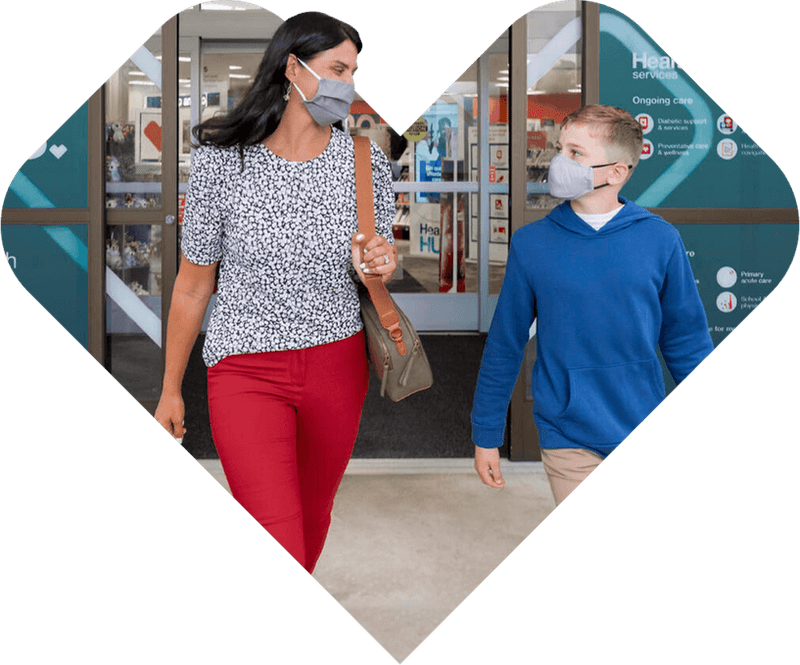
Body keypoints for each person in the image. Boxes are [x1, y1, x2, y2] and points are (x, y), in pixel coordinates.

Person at [153, 12, 397, 573]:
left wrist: (380, 264)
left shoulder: (366, 163)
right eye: (337, 69)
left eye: (353, 73)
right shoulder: (222, 162)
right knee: (276, 538)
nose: (348, 85)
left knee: (311, 525)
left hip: (337, 366)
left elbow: (375, 262)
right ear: (293, 68)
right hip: (245, 368)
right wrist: (169, 388)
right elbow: (192, 286)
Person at [471, 105, 714, 506]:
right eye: (560, 149)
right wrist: (486, 434)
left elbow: (686, 341)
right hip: (567, 435)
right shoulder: (532, 244)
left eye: (575, 153)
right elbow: (505, 344)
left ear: (616, 172)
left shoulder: (661, 240)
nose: (559, 161)